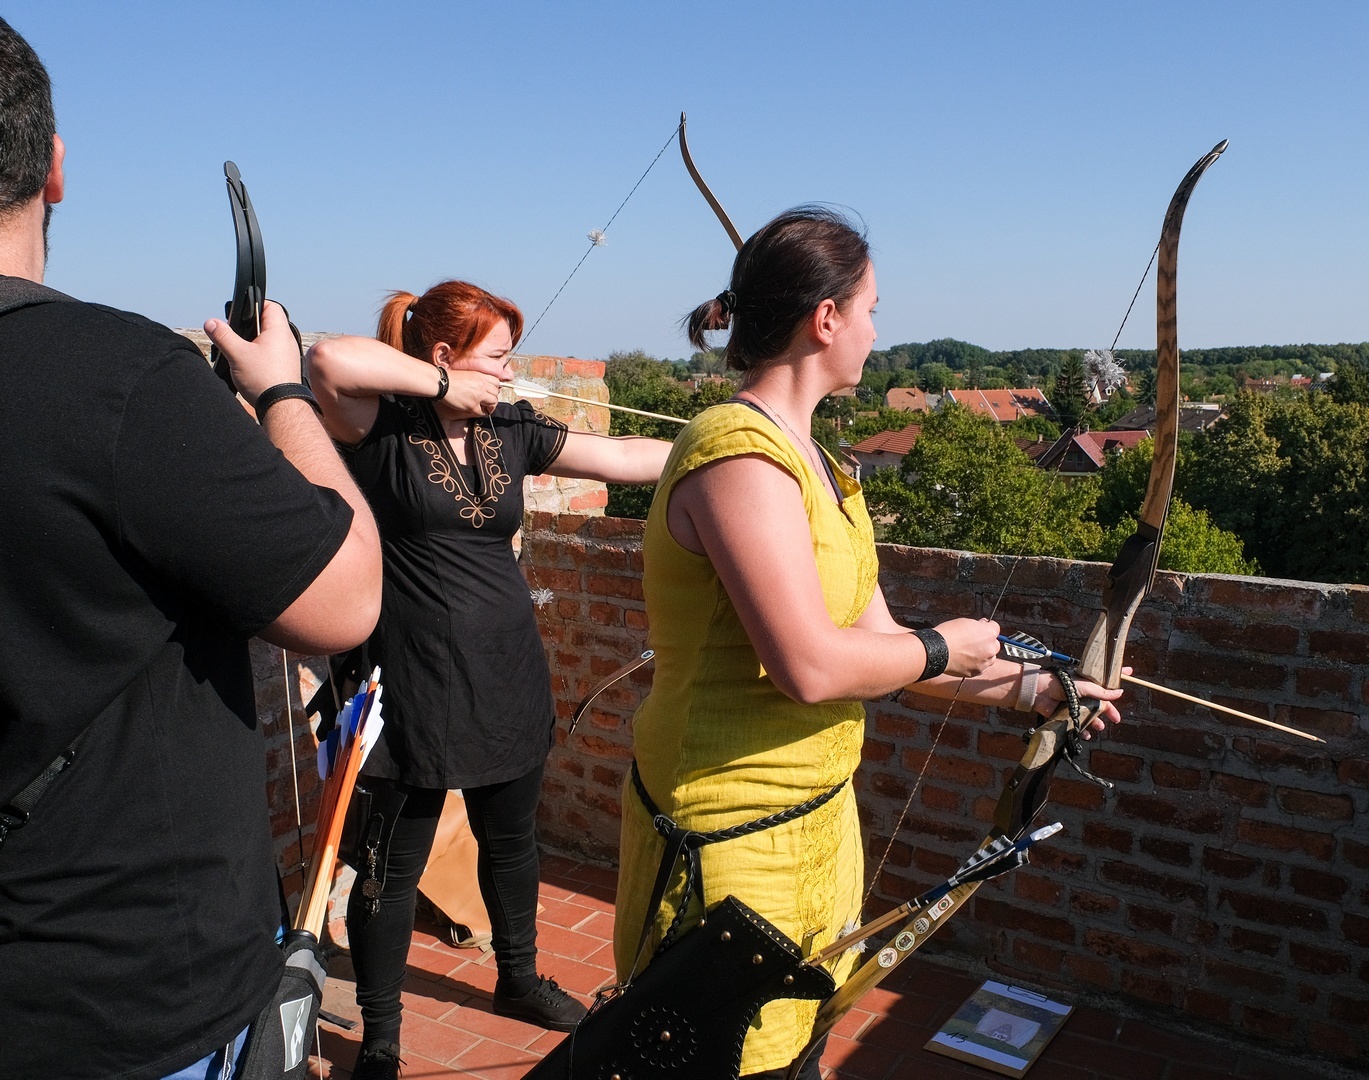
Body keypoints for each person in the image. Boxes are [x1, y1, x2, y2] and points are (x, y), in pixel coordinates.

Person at [612, 206, 1126, 1078]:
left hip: (815, 827)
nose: (878, 333)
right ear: (826, 318)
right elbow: (813, 666)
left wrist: (1042, 691)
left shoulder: (817, 462)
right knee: (723, 1059)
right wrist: (944, 645)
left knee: (799, 1050)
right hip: (728, 839)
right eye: (871, 310)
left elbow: (878, 646)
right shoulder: (737, 455)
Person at [0, 18, 383, 1080]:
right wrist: (283, 391)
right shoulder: (114, 378)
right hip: (119, 999)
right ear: (55, 169)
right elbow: (346, 596)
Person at [303, 282, 671, 1079]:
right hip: (412, 680)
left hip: (507, 670)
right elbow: (326, 359)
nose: (509, 372)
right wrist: (441, 387)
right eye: (497, 357)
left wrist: (734, 445)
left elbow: (620, 457)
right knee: (391, 867)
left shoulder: (510, 428)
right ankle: (382, 1037)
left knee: (511, 842)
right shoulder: (378, 424)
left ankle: (519, 978)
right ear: (445, 356)